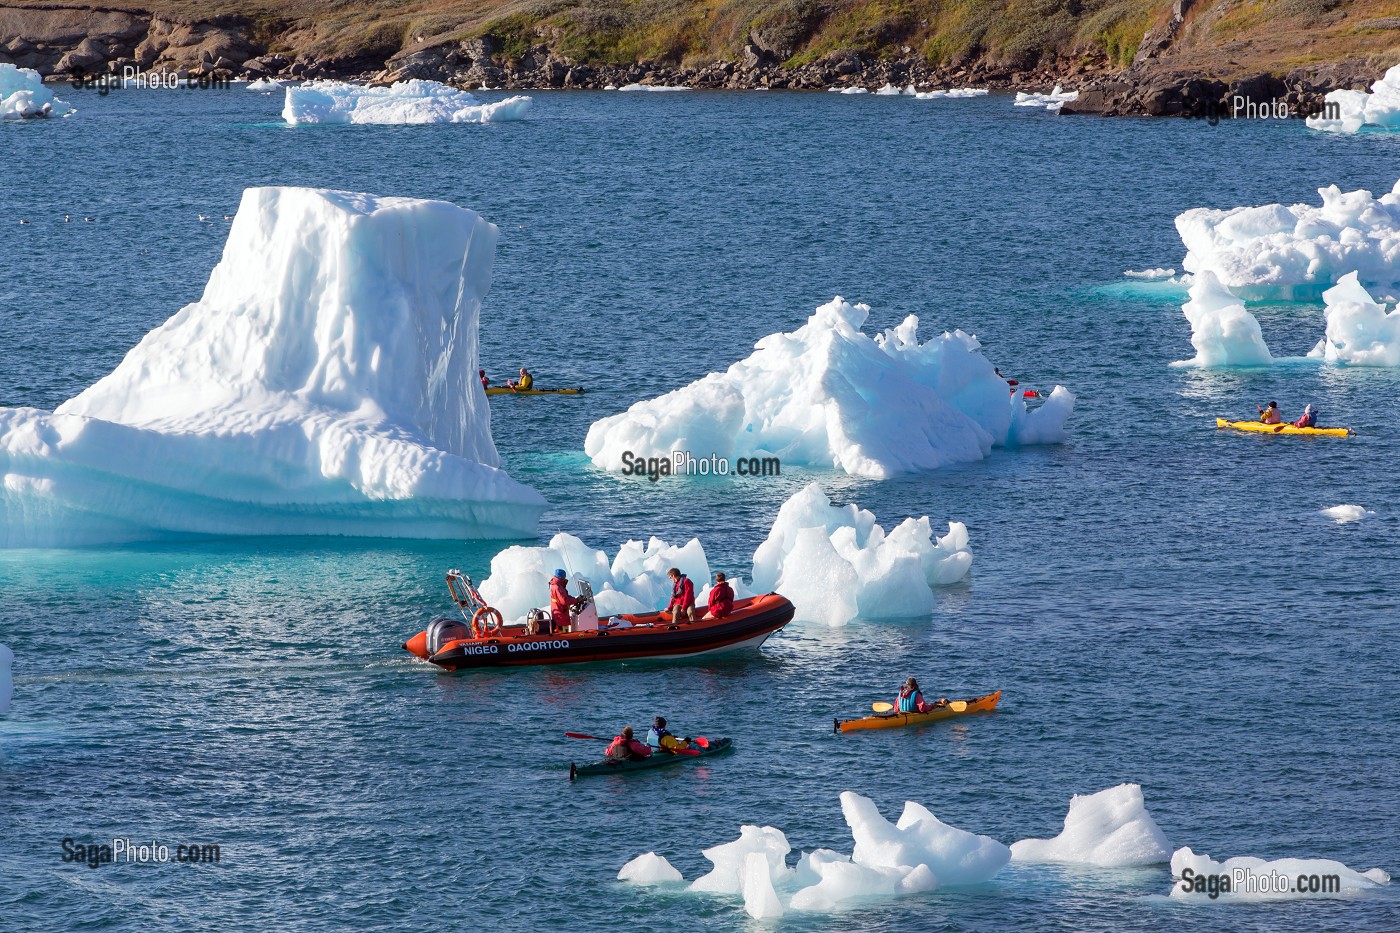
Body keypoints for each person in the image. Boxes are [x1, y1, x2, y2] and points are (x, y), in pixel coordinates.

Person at [549, 569, 576, 635]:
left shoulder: (556, 585)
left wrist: (574, 599)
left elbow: (564, 597)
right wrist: (576, 600)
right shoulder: (557, 587)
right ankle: (564, 639)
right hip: (560, 612)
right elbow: (564, 601)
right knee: (563, 630)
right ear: (561, 577)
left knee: (560, 627)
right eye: (564, 577)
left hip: (558, 611)